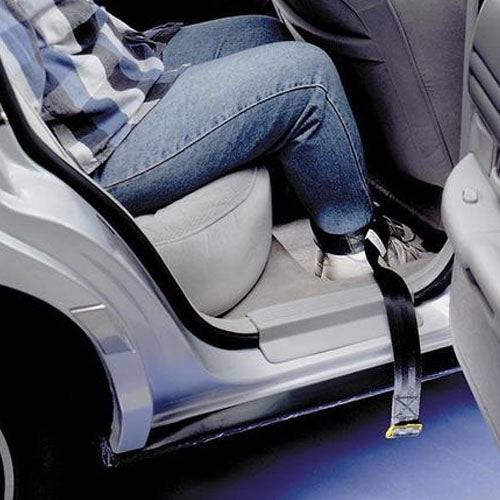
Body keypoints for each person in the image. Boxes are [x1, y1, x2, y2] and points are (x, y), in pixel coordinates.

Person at [0, 0, 425, 280]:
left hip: (111, 70)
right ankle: (352, 255)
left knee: (265, 34)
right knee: (308, 81)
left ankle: (327, 190)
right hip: (92, 145)